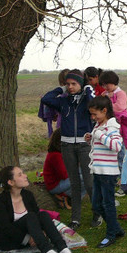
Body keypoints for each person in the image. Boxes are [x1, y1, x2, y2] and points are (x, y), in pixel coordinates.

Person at [0, 166, 77, 253]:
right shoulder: (0, 201)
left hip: (31, 237)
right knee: (30, 216)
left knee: (43, 215)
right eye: (20, 175)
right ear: (11, 182)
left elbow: (37, 217)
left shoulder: (28, 195)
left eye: (23, 173)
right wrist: (27, 239)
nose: (25, 176)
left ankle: (62, 248)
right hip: (8, 239)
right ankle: (46, 250)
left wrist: (40, 232)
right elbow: (5, 227)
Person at [40, 70, 97, 231]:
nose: (70, 87)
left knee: (89, 182)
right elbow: (46, 99)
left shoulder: (87, 100)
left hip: (84, 145)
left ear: (81, 84)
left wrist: (87, 89)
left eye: (74, 84)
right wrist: (61, 90)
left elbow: (94, 105)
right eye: (68, 84)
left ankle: (97, 213)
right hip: (67, 146)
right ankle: (76, 219)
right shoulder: (63, 102)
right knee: (75, 182)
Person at [85, 96, 125, 248]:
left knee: (108, 204)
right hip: (98, 171)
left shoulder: (112, 127)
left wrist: (99, 136)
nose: (93, 117)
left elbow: (116, 146)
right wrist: (90, 138)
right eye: (91, 114)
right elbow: (100, 144)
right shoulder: (99, 125)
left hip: (108, 173)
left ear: (104, 111)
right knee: (96, 204)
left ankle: (111, 234)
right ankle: (116, 228)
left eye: (95, 114)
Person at [99, 70, 127, 148]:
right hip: (108, 122)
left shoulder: (121, 93)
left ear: (113, 81)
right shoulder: (104, 94)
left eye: (106, 85)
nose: (105, 88)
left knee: (122, 143)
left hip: (121, 122)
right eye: (103, 85)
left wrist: (107, 102)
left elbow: (119, 107)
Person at [43, 129, 71, 209]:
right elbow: (64, 175)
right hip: (54, 185)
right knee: (84, 177)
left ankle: (65, 196)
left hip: (58, 182)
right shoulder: (56, 155)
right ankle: (64, 196)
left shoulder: (58, 153)